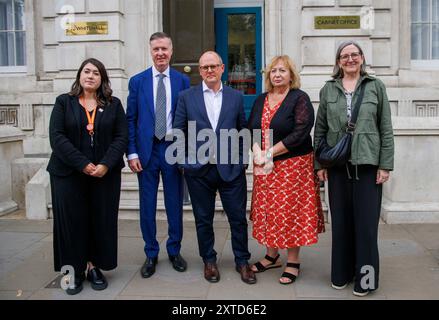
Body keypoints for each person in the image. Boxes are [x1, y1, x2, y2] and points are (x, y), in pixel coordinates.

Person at [314, 41, 394, 297]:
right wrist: (319, 164)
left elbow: (386, 129)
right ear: (338, 61)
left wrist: (385, 164)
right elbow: (320, 129)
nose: (349, 59)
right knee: (341, 224)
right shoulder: (328, 89)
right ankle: (341, 274)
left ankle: (366, 280)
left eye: (354, 55)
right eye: (344, 56)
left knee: (367, 227)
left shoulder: (375, 87)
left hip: (368, 165)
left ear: (362, 58)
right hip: (337, 167)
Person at [173, 51, 256, 285]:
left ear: (222, 68)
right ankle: (209, 260)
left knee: (238, 218)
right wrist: (183, 163)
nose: (209, 70)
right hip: (198, 171)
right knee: (203, 219)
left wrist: (242, 162)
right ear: (199, 71)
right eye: (205, 67)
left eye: (214, 66)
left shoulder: (236, 97)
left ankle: (242, 261)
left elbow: (243, 131)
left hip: (231, 170)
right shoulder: (186, 97)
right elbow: (179, 131)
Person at [47, 58, 128, 295]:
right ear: (79, 76)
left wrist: (105, 164)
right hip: (68, 173)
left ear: (102, 79)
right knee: (71, 223)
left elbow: (121, 137)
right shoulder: (64, 102)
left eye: (96, 73)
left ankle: (94, 266)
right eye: (86, 71)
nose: (90, 76)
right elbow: (57, 137)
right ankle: (73, 271)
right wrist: (83, 164)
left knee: (100, 220)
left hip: (104, 174)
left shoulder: (113, 104)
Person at [247, 55, 325, 285]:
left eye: (282, 70)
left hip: (293, 165)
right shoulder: (261, 99)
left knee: (291, 212)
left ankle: (293, 261)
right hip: (264, 165)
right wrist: (257, 152)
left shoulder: (299, 98)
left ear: (291, 75)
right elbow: (251, 128)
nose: (277, 74)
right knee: (268, 210)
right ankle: (272, 256)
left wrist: (270, 152)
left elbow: (301, 131)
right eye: (273, 71)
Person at [126, 32, 190, 278]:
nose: (160, 53)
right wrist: (131, 152)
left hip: (173, 150)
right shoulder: (137, 81)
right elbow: (131, 119)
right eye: (156, 49)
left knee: (174, 203)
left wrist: (187, 152)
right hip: (147, 150)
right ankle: (151, 253)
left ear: (171, 51)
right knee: (147, 204)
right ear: (150, 52)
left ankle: (174, 250)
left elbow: (188, 118)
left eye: (164, 49)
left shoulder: (182, 81)